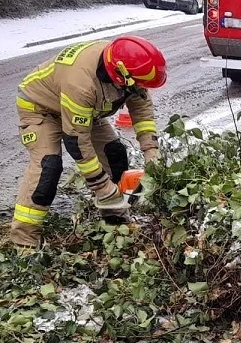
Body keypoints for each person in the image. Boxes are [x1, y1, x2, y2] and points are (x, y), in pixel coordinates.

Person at [9, 35, 166, 248]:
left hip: (86, 111)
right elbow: (77, 141)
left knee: (114, 155)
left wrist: (151, 151)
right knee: (48, 167)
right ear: (120, 75)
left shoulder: (130, 69)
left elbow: (142, 110)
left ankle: (114, 221)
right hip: (42, 109)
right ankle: (24, 241)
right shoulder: (81, 83)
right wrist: (101, 186)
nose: (140, 88)